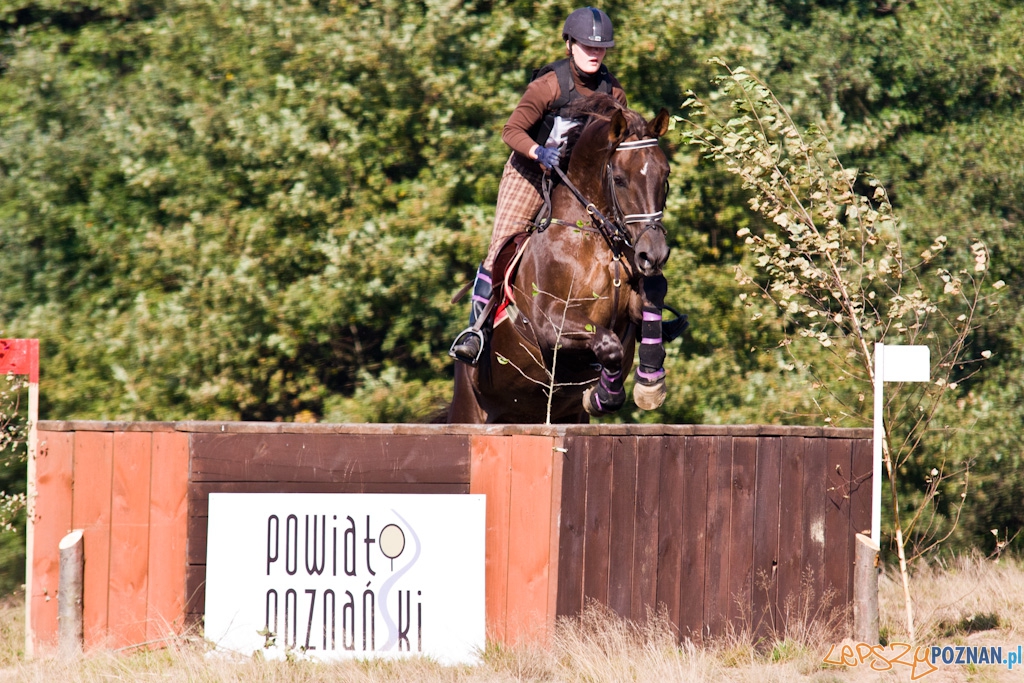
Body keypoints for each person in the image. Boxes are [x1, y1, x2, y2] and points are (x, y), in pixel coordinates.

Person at [450, 7, 628, 364]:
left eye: (600, 48)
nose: (594, 54)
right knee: (501, 246)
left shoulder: (614, 92)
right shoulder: (549, 84)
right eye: (586, 46)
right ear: (569, 44)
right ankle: (477, 330)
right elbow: (510, 130)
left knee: (626, 240)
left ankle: (647, 320)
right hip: (530, 172)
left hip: (579, 183)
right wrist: (536, 151)